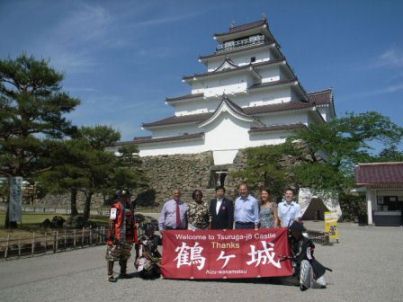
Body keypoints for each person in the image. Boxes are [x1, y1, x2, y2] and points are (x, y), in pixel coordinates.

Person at [105, 189, 138, 282]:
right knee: (111, 254)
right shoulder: (114, 207)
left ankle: (123, 272)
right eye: (123, 196)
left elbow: (132, 220)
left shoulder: (130, 207)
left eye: (127, 196)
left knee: (125, 254)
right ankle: (110, 275)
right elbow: (111, 221)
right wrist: (111, 234)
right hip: (118, 235)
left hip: (128, 235)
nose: (125, 198)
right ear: (119, 197)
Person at [289, 221, 331, 290]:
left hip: (306, 263)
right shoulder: (291, 240)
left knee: (305, 263)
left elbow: (308, 257)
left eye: (296, 231)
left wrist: (296, 263)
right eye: (293, 231)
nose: (294, 232)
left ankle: (305, 283)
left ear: (299, 231)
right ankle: (301, 280)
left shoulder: (306, 241)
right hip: (294, 265)